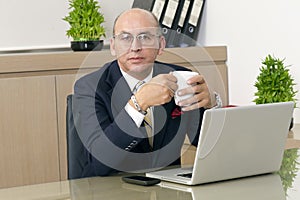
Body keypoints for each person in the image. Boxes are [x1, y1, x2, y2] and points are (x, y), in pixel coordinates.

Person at [72, 8, 221, 177]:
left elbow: (206, 144)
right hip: (110, 188)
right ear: (113, 47)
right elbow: (100, 163)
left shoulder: (179, 77)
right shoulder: (89, 87)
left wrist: (212, 105)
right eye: (126, 38)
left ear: (161, 45)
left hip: (167, 188)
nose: (135, 47)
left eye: (145, 37)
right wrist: (138, 104)